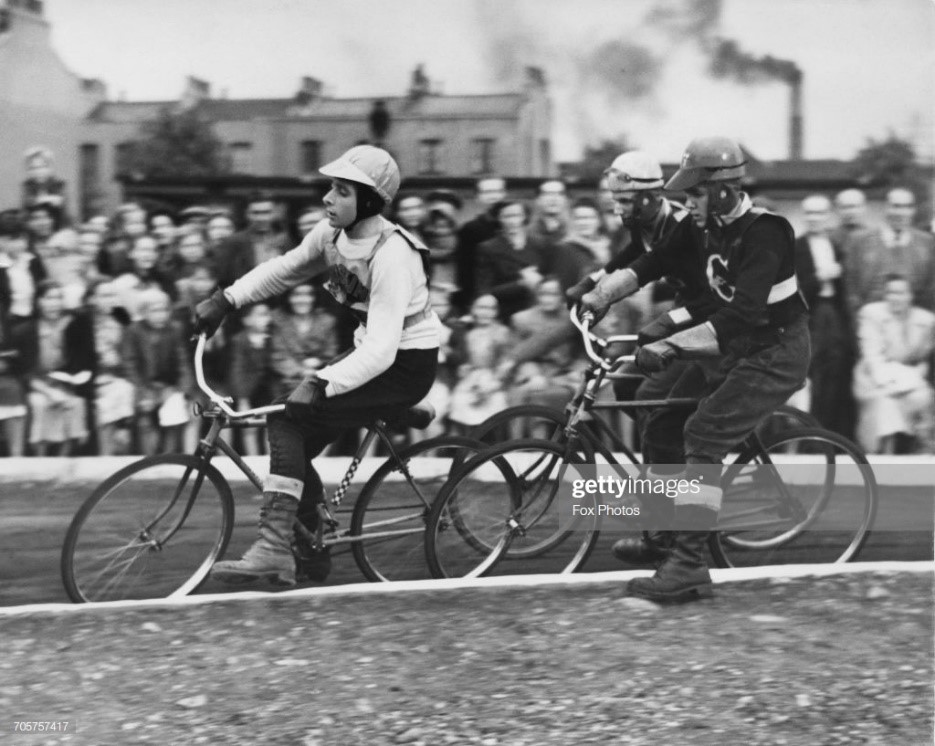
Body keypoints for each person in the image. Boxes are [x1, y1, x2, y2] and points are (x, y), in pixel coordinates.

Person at [195, 145, 440, 586]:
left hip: (404, 364)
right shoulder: (330, 235)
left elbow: (384, 349)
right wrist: (226, 299)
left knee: (288, 420)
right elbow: (284, 269)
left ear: (368, 201)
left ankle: (274, 547)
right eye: (330, 187)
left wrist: (322, 381)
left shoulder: (393, 254)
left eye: (341, 191)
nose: (328, 198)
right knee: (294, 430)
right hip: (372, 354)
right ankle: (309, 551)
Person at [581, 137, 810, 602]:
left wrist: (671, 344)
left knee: (702, 436)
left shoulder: (767, 232)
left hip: (774, 352)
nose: (687, 203)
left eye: (695, 194)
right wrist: (599, 295)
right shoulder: (702, 226)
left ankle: (688, 565)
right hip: (732, 349)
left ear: (723, 189)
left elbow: (742, 314)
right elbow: (651, 262)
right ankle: (664, 534)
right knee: (659, 418)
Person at [794, 194, 856, 438]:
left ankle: (828, 433)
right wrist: (820, 277)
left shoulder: (835, 245)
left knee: (835, 372)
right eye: (809, 213)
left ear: (828, 216)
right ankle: (805, 435)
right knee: (811, 374)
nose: (814, 218)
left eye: (820, 213)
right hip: (809, 314)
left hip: (834, 314)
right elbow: (792, 287)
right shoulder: (795, 246)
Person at [853, 274, 935, 454]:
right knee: (885, 404)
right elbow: (873, 358)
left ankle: (923, 456)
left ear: (911, 295)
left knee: (925, 398)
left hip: (911, 381)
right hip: (874, 379)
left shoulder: (926, 320)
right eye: (890, 292)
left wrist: (914, 377)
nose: (894, 297)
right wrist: (894, 383)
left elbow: (924, 361)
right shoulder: (871, 314)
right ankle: (881, 457)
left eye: (900, 293)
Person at [844, 187, 935, 316]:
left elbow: (930, 289)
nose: (901, 213)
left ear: (913, 210)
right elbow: (851, 288)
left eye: (907, 207)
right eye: (896, 206)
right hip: (870, 321)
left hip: (913, 324)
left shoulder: (927, 242)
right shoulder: (859, 240)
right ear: (886, 208)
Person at [475, 199, 548, 322]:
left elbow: (551, 277)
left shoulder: (540, 244)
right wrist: (521, 283)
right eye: (507, 216)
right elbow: (484, 290)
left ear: (525, 217)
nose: (512, 221)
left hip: (538, 310)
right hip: (506, 312)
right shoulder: (488, 248)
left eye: (517, 215)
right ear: (498, 218)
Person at [211, 191, 290, 289]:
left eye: (266, 212)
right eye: (256, 213)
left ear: (274, 213)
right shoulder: (233, 243)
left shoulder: (285, 242)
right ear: (247, 214)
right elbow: (223, 281)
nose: (261, 218)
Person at [453, 176, 506, 312]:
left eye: (497, 191)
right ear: (478, 197)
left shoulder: (519, 225)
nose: (493, 196)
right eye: (487, 192)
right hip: (482, 296)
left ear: (504, 194)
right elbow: (465, 269)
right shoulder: (470, 229)